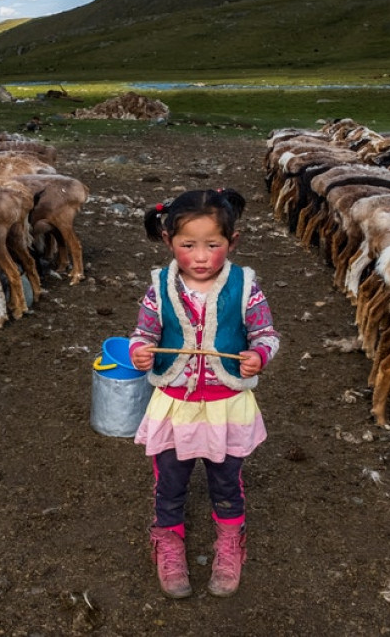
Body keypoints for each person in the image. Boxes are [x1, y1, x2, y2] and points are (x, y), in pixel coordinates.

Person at [128, 188, 280, 599]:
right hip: (175, 406)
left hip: (226, 406)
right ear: (168, 242)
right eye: (187, 245)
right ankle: (168, 539)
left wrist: (258, 355)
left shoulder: (245, 286)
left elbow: (265, 333)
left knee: (227, 480)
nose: (199, 256)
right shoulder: (159, 286)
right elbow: (143, 333)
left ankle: (230, 542)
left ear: (233, 241)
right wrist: (139, 351)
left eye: (213, 245)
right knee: (170, 481)